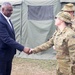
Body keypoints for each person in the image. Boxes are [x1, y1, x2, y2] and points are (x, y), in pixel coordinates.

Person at [0, 2, 30, 75]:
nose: (11, 12)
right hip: (2, 54)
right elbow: (6, 39)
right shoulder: (0, 21)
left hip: (8, 53)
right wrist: (23, 48)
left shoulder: (7, 18)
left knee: (7, 72)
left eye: (12, 10)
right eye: (9, 10)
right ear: (3, 9)